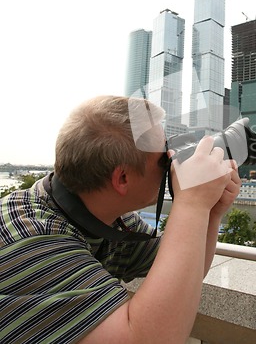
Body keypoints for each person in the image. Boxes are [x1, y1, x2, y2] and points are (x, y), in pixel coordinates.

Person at [0, 95, 241, 344]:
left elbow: (183, 273)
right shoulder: (33, 240)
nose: (172, 160)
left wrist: (210, 212)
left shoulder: (108, 217)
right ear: (122, 179)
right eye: (163, 157)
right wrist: (192, 203)